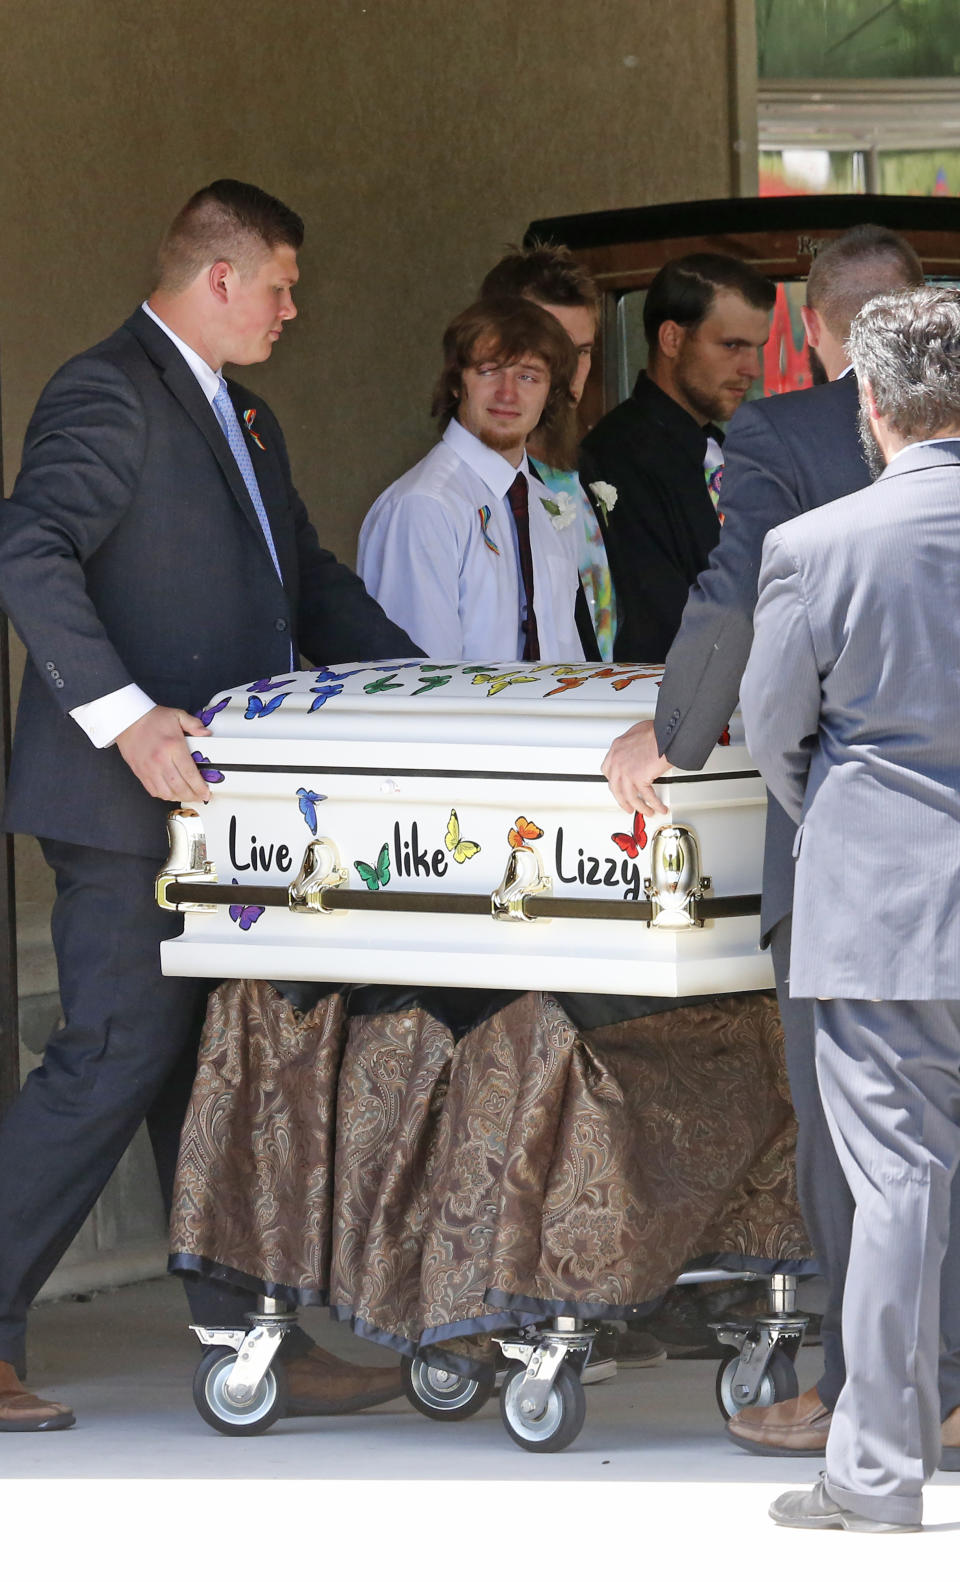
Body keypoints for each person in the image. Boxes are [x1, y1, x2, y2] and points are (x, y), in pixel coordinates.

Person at [0, 179, 422, 1432]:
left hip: (222, 814)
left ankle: (255, 1342)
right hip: (124, 799)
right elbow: (27, 548)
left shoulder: (244, 412)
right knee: (116, 1055)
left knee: (212, 1071)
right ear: (221, 276)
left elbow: (308, 579)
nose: (296, 308)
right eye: (283, 284)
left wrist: (431, 681)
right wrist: (124, 715)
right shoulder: (107, 388)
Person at [601, 225, 940, 1441]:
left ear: (818, 329)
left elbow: (738, 595)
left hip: (856, 848)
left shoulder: (787, 435)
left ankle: (869, 1397)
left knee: (858, 1139)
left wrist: (672, 734)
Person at [742, 283, 960, 1533]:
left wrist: (848, 819)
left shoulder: (816, 546)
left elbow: (777, 738)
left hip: (881, 908)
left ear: (868, 406)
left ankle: (875, 1474)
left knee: (897, 1189)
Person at [357, 296, 584, 662]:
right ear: (455, 382)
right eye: (489, 370)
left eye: (528, 376)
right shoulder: (425, 507)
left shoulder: (545, 506)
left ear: (550, 393)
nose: (507, 393)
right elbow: (419, 686)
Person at [580, 252, 775, 662]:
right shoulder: (614, 457)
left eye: (757, 348)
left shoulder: (725, 450)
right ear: (671, 339)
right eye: (732, 345)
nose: (751, 368)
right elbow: (661, 622)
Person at [479, 243, 617, 659]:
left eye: (583, 352)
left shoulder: (594, 468)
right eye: (549, 348)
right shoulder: (471, 494)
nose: (570, 371)